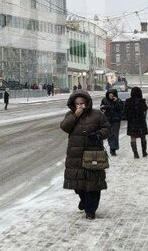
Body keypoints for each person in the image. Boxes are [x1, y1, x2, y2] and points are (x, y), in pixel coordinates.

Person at [60, 90, 109, 220]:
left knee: (93, 185)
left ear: (87, 103)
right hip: (75, 155)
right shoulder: (70, 115)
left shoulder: (97, 115)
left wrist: (98, 134)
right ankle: (84, 200)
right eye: (77, 104)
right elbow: (64, 127)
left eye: (82, 103)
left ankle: (90, 210)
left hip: (93, 154)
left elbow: (107, 128)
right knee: (78, 184)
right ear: (73, 104)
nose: (80, 106)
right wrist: (75, 116)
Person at [125, 87, 148, 158]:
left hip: (132, 122)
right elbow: (145, 108)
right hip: (141, 122)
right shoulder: (141, 101)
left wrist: (129, 117)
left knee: (133, 138)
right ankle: (144, 152)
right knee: (143, 137)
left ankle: (135, 154)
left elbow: (125, 112)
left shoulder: (128, 101)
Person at [100, 89, 124, 156]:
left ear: (114, 94)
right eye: (109, 93)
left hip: (116, 120)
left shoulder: (118, 100)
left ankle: (113, 149)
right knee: (109, 135)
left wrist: (116, 102)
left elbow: (120, 108)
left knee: (114, 135)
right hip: (107, 120)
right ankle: (112, 147)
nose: (110, 95)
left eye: (112, 93)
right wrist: (103, 108)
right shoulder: (104, 100)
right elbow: (101, 107)